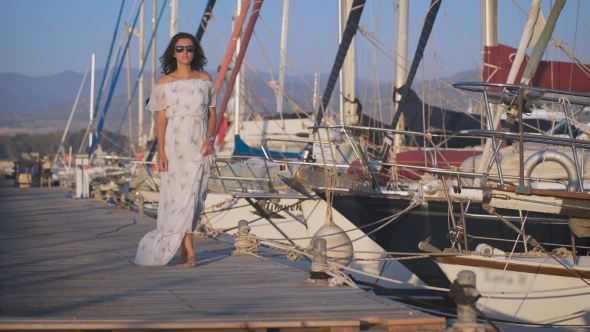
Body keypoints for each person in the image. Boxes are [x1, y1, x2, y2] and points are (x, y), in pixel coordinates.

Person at [134, 32, 216, 268]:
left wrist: (210, 138)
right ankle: (190, 250)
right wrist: (161, 152)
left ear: (195, 52)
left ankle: (182, 241)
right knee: (179, 197)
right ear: (173, 53)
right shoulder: (163, 83)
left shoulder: (204, 79)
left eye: (189, 48)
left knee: (196, 197)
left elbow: (212, 114)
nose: (184, 52)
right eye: (179, 49)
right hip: (174, 143)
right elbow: (161, 121)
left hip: (199, 143)